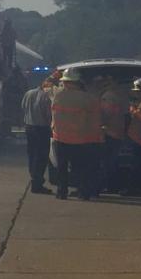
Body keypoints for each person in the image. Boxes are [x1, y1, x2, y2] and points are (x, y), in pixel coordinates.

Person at [50, 70, 103, 200]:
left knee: (62, 168)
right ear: (78, 82)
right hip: (81, 139)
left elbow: (45, 85)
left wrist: (54, 75)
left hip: (60, 138)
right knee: (80, 168)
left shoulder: (56, 95)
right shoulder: (89, 98)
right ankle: (82, 192)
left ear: (65, 82)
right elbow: (96, 120)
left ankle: (62, 192)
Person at [20, 77, 53, 194]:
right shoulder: (46, 97)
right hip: (42, 129)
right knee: (41, 156)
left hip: (29, 127)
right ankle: (37, 182)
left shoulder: (29, 93)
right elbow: (48, 114)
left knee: (32, 154)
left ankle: (34, 177)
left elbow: (23, 106)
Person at [98, 75, 128, 193]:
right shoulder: (117, 95)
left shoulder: (108, 96)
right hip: (116, 131)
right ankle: (112, 185)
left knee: (107, 162)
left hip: (109, 132)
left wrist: (98, 124)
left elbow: (106, 114)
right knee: (111, 161)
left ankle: (108, 186)